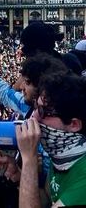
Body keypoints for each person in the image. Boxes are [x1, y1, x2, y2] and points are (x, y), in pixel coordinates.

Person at [16, 74, 86, 207]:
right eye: (36, 107)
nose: (34, 116)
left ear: (74, 124)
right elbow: (46, 198)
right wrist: (18, 173)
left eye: (43, 111)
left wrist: (29, 160)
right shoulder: (63, 156)